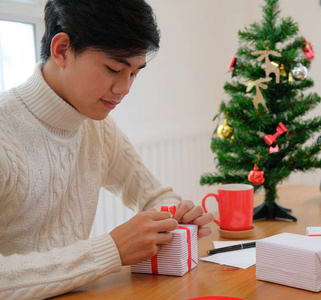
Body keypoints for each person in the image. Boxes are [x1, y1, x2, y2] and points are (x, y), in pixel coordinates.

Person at [0, 0, 213, 298]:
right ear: (61, 50)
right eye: (114, 69)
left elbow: (155, 197)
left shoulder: (98, 127)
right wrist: (110, 250)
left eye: (135, 73)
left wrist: (177, 216)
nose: (124, 88)